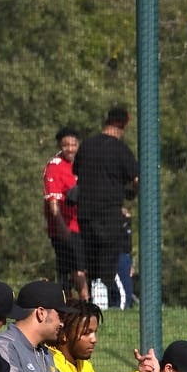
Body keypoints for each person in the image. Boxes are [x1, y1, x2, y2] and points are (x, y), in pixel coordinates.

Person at [72, 107, 139, 306]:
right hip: (109, 213)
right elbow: (137, 179)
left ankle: (96, 305)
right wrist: (131, 194)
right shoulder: (120, 149)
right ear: (124, 123)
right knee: (109, 267)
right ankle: (109, 307)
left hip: (85, 213)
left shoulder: (86, 146)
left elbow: (77, 173)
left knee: (92, 264)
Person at [42, 127, 87, 300]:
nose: (70, 148)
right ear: (60, 146)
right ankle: (85, 303)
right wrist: (63, 230)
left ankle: (72, 306)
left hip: (81, 225)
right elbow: (53, 204)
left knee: (71, 268)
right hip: (65, 228)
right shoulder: (54, 167)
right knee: (76, 268)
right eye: (66, 145)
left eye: (74, 144)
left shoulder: (81, 164)